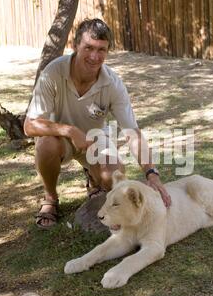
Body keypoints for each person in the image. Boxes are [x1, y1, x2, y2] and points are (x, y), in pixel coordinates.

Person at [24, 18, 171, 229]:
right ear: (75, 46)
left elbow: (132, 132)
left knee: (114, 176)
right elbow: (29, 126)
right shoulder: (53, 73)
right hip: (59, 139)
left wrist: (151, 173)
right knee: (46, 144)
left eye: (101, 50)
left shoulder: (113, 83)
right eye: (89, 48)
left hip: (95, 140)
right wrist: (69, 130)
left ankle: (94, 181)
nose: (94, 56)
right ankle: (50, 199)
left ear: (108, 51)